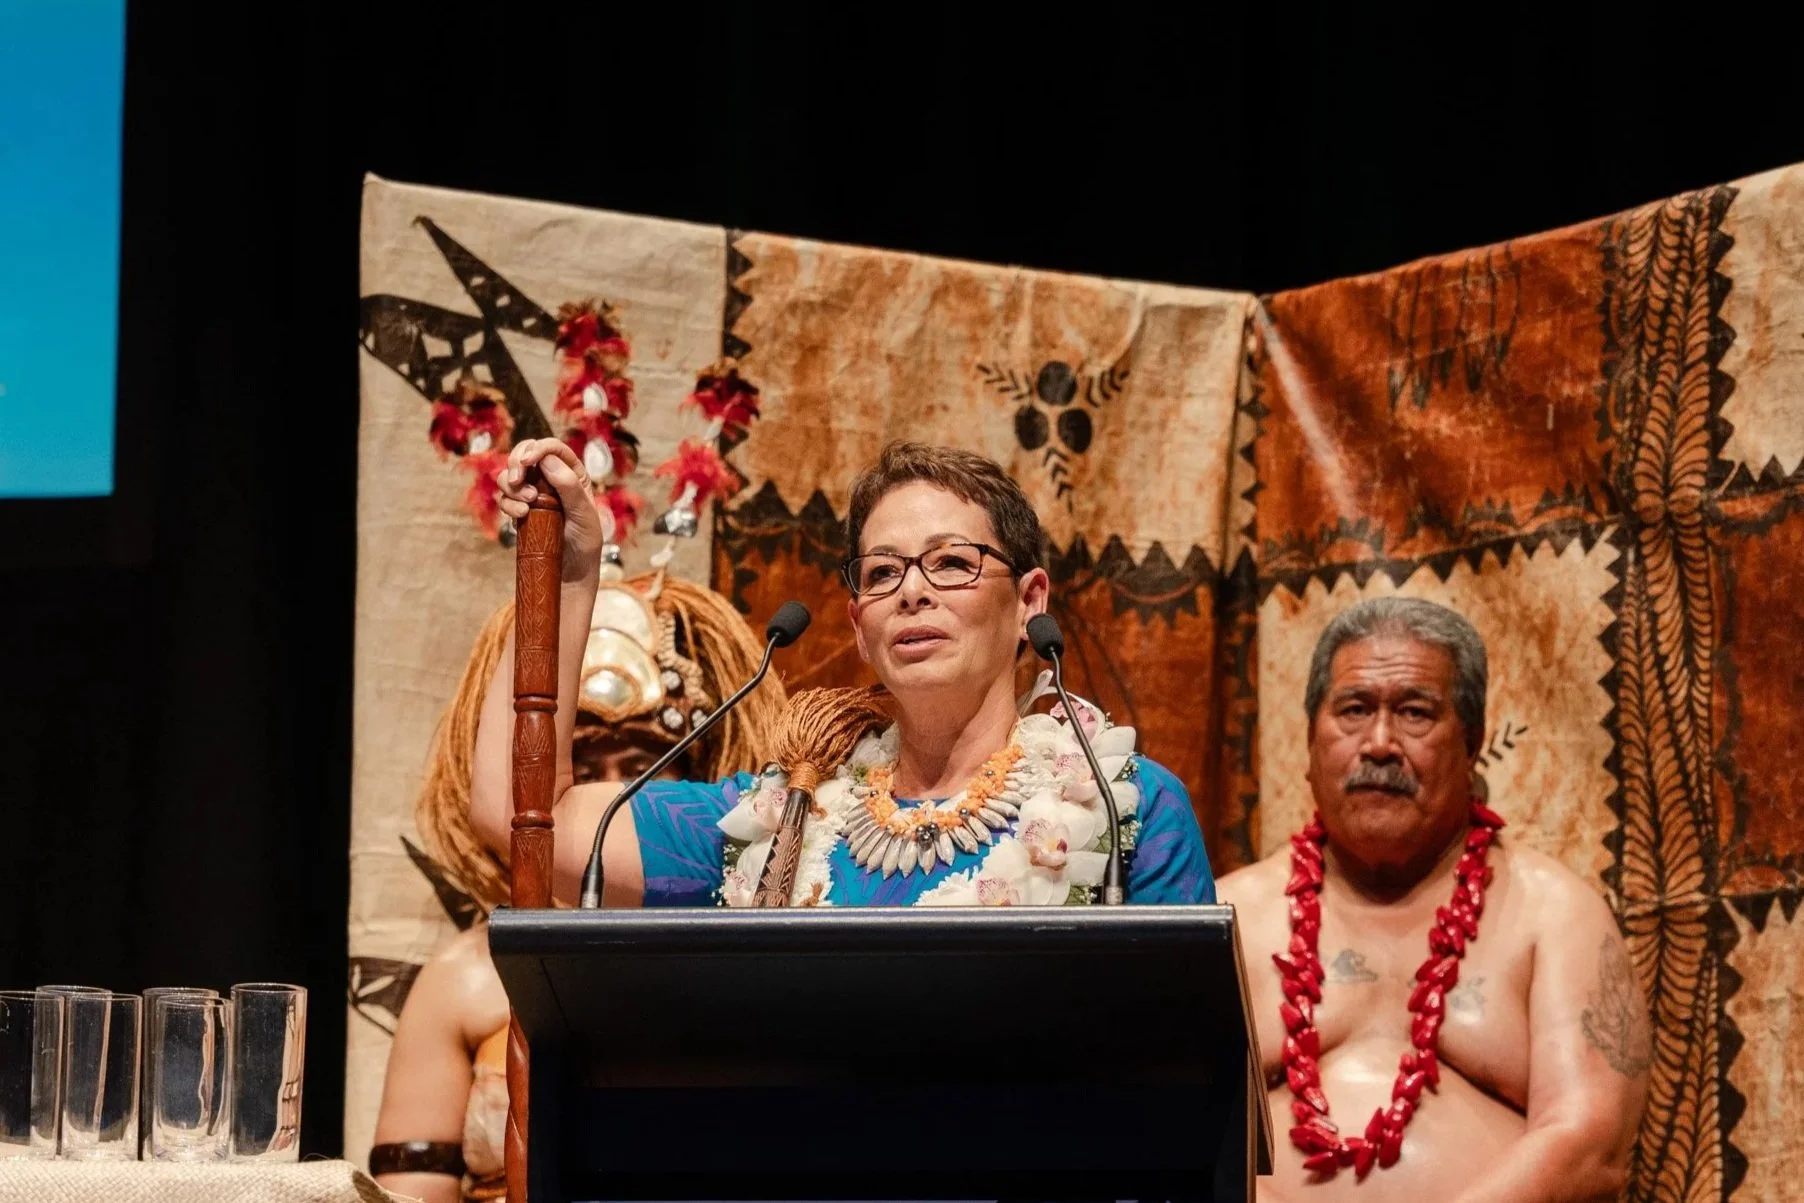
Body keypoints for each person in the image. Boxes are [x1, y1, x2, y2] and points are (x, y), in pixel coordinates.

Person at [469, 437, 1215, 910]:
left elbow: (1185, 1080)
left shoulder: (1128, 809)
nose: (914, 590)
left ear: (1029, 602)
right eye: (884, 572)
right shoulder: (777, 819)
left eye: (952, 562)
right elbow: (523, 815)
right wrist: (567, 582)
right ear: (860, 626)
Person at [368, 565, 786, 1203]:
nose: (604, 793)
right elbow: (407, 1193)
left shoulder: (746, 970)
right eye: (582, 768)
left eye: (642, 767)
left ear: (701, 775)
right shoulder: (464, 979)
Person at [1219, 597, 1649, 1202]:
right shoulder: (1231, 918)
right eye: (1354, 710)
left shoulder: (1553, 914)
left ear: (1471, 742)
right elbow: (1173, 1136)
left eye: (1415, 713)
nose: (1380, 743)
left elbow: (1588, 1146)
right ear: (1311, 740)